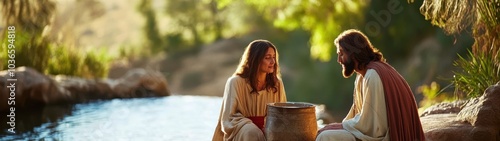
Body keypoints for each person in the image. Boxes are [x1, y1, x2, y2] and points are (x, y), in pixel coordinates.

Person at [316, 29, 425, 141]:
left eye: (341, 54)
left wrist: (342, 126)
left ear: (353, 53)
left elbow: (372, 127)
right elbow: (359, 115)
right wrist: (339, 126)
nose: (339, 60)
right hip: (372, 133)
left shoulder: (373, 75)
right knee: (323, 130)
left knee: (325, 137)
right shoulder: (363, 76)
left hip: (386, 137)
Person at [212, 39, 287, 141]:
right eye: (267, 58)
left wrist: (268, 126)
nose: (273, 62)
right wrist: (253, 127)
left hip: (269, 126)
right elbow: (229, 118)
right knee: (251, 132)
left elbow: (282, 114)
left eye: (274, 57)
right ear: (255, 60)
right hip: (241, 130)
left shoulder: (277, 84)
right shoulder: (235, 82)